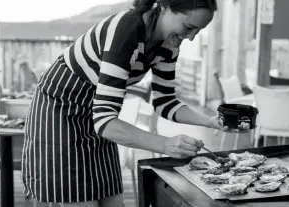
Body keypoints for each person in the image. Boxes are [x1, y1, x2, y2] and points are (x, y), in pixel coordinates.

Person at [21, 0, 249, 206]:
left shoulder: (170, 44)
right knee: (82, 201)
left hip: (99, 112)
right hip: (61, 110)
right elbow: (105, 122)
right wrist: (166, 144)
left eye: (198, 31)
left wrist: (210, 121)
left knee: (112, 201)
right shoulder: (126, 29)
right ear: (165, 6)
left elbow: (165, 102)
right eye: (189, 27)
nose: (190, 37)